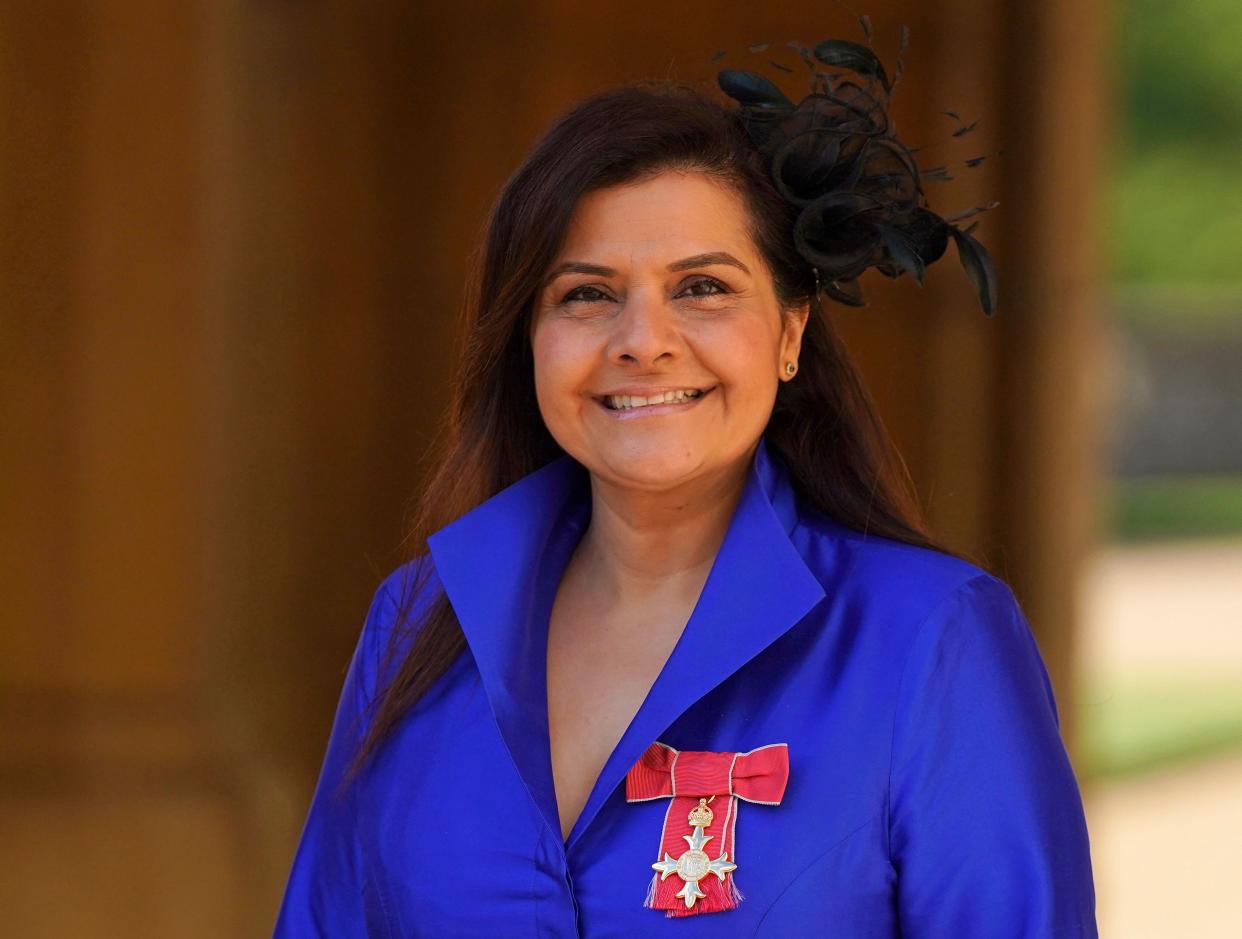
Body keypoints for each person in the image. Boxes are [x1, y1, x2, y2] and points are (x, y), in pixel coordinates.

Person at [273, 38, 1098, 938]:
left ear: (789, 333)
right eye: (586, 295)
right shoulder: (414, 625)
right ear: (529, 341)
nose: (644, 340)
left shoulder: (933, 640)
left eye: (702, 287)